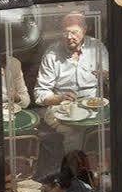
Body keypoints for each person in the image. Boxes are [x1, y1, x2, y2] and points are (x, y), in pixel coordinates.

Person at [35, 11, 109, 173]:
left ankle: (101, 173)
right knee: (73, 132)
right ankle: (75, 175)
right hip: (60, 107)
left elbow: (111, 79)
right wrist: (58, 98)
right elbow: (40, 94)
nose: (69, 36)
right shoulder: (52, 54)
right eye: (65, 32)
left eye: (74, 32)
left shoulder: (97, 47)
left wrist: (106, 76)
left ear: (84, 30)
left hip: (92, 106)